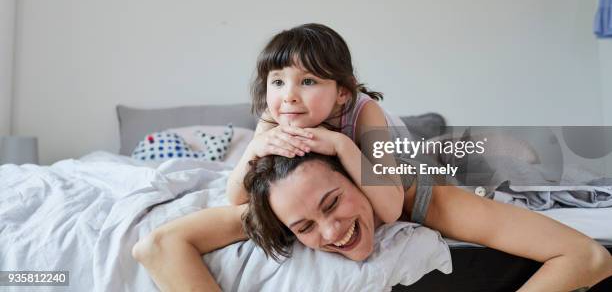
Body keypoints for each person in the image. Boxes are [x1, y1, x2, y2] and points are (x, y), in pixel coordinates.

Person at [133, 24, 612, 291]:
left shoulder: (366, 115)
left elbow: (386, 208)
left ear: (342, 93)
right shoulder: (274, 129)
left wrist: (342, 146)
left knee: (462, 155)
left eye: (308, 82)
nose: (289, 98)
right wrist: (254, 151)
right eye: (278, 83)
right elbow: (233, 197)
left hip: (404, 177)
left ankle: (500, 150)